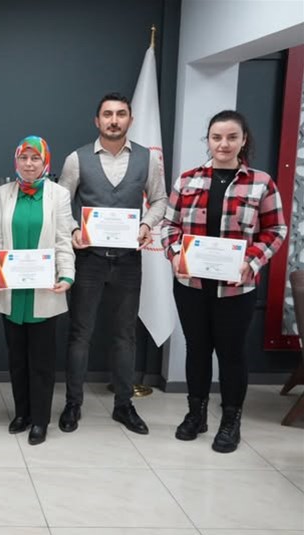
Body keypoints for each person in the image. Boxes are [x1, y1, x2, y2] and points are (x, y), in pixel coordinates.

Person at [161, 110, 286, 453]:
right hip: (191, 285)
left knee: (231, 353)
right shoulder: (187, 180)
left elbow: (276, 229)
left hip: (236, 288)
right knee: (197, 349)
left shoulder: (261, 183)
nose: (224, 144)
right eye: (217, 137)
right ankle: (196, 414)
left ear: (243, 140)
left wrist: (252, 260)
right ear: (209, 140)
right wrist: (175, 254)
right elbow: (169, 225)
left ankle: (231, 421)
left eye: (232, 137)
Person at [58, 92, 167, 435]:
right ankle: (73, 404)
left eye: (121, 114)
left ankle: (124, 405)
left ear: (130, 120)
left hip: (128, 261)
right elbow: (60, 203)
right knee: (80, 335)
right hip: (88, 260)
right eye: (108, 114)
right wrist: (73, 230)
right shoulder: (76, 159)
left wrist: (147, 225)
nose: (114, 120)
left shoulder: (148, 159)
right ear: (97, 120)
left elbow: (160, 200)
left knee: (125, 336)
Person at [0, 136, 75, 445]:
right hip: (12, 290)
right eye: (24, 158)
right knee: (17, 359)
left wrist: (68, 275)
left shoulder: (59, 195)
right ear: (16, 161)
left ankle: (40, 420)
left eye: (36, 158)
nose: (29, 164)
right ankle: (22, 413)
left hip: (44, 291)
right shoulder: (2, 193)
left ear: (45, 162)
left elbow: (63, 240)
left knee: (42, 362)